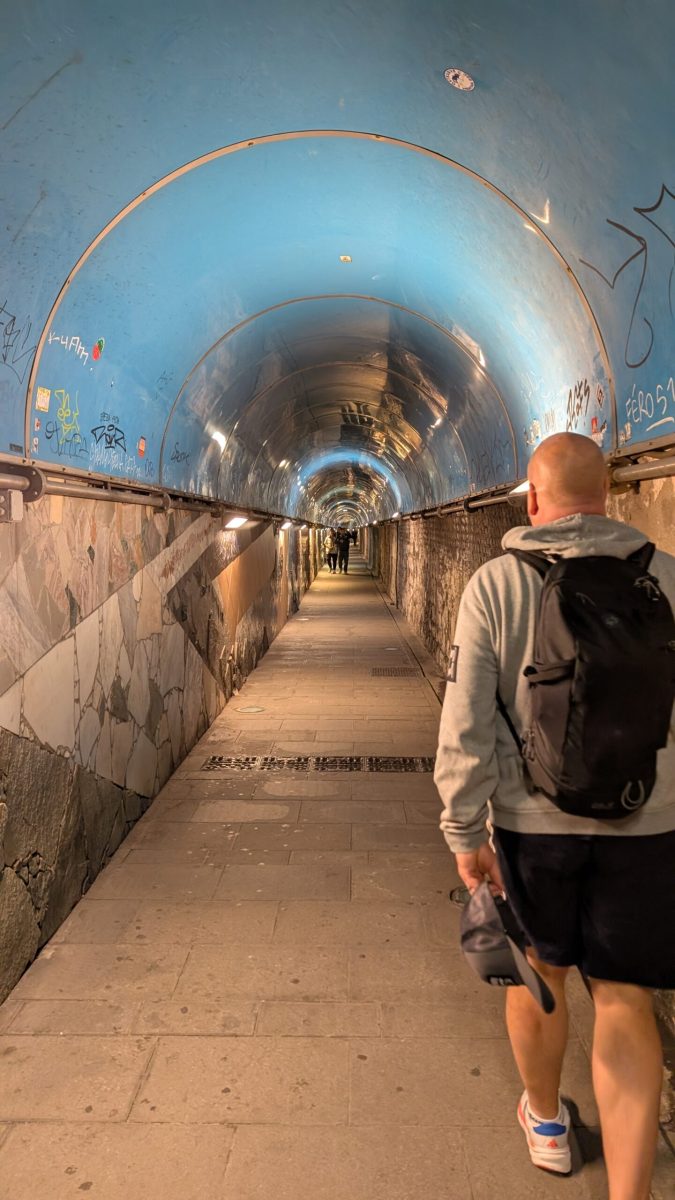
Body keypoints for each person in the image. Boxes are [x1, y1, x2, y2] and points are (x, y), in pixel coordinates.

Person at [434, 432, 675, 1199]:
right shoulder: (666, 577)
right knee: (625, 997)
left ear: (531, 499)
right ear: (608, 493)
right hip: (646, 829)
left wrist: (462, 831)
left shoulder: (496, 584)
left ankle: (545, 1124)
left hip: (532, 829)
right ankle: (630, 1192)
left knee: (539, 970)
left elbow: (465, 722)